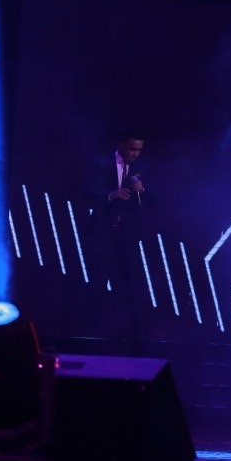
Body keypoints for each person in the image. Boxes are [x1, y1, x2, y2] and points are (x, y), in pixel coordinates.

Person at [84, 131, 150, 346]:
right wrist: (111, 195)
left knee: (128, 283)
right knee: (100, 280)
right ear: (121, 145)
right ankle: (95, 331)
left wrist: (143, 189)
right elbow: (87, 191)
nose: (135, 154)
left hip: (127, 235)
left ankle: (127, 333)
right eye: (132, 149)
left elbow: (155, 198)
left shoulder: (141, 167)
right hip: (103, 233)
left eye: (139, 150)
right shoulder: (102, 164)